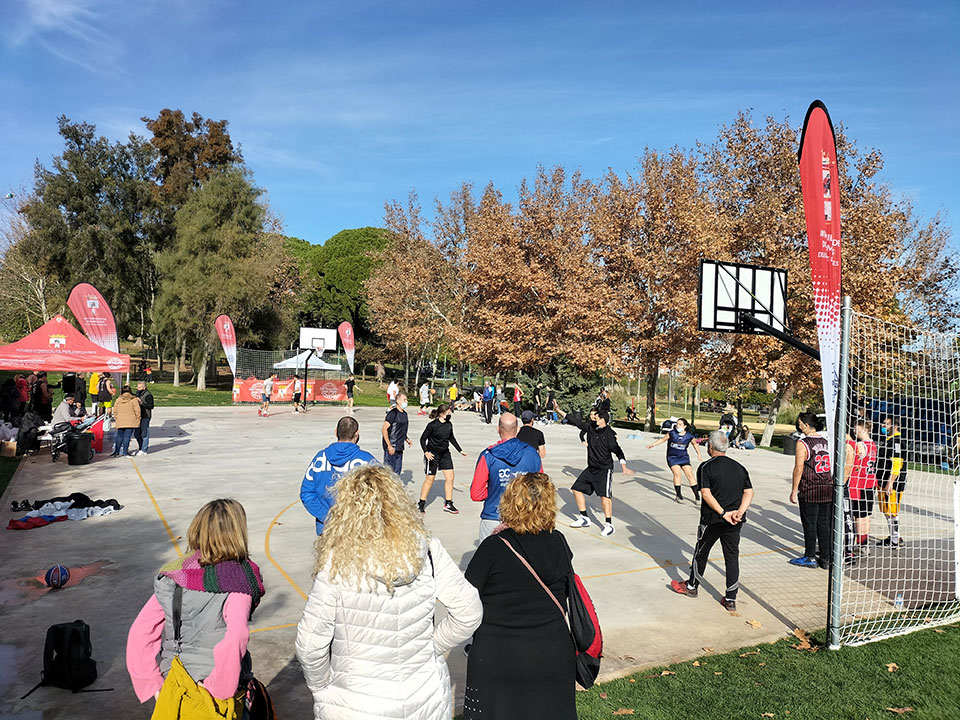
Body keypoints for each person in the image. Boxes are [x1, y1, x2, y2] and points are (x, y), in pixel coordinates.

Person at [296, 465, 481, 720]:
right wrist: (432, 649)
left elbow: (310, 645)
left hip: (357, 705)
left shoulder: (336, 564)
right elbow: (469, 611)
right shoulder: (427, 550)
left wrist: (322, 689)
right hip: (425, 698)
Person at [127, 499, 265, 718]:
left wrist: (152, 684)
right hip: (212, 688)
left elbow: (140, 632)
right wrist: (220, 689)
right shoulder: (239, 580)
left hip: (173, 679)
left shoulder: (175, 574)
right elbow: (236, 636)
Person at [463, 473, 577, 720]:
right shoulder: (559, 542)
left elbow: (466, 597)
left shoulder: (494, 547)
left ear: (509, 502)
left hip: (501, 654)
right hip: (552, 651)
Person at [670, 430, 754, 611]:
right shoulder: (739, 467)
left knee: (701, 552)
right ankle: (731, 598)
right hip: (734, 520)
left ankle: (691, 587)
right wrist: (739, 512)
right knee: (731, 557)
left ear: (710, 446)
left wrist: (723, 513)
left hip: (713, 519)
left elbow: (706, 494)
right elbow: (749, 492)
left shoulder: (706, 467)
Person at [553, 401, 634, 536]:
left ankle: (609, 524)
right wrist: (559, 410)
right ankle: (584, 518)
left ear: (603, 420)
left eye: (597, 417)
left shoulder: (609, 435)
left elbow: (617, 450)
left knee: (604, 497)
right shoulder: (590, 427)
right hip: (591, 468)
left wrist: (624, 466)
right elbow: (574, 420)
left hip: (604, 469)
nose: (594, 419)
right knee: (576, 489)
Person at [470, 413, 543, 540]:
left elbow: (476, 494)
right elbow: (541, 488)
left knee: (489, 558)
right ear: (518, 429)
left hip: (494, 517)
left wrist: (494, 490)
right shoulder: (533, 453)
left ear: (498, 429)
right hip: (525, 518)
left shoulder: (488, 455)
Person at [300, 416, 376, 534]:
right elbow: (384, 493)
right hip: (355, 529)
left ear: (336, 432)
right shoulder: (367, 461)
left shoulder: (320, 458)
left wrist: (328, 517)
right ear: (357, 434)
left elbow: (306, 493)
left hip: (327, 528)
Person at [788, 412, 832, 569]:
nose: (798, 426)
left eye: (800, 423)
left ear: (806, 425)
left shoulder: (803, 443)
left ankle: (810, 556)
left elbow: (799, 468)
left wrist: (794, 489)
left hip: (811, 487)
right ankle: (826, 557)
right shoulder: (826, 441)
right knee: (824, 524)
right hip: (827, 486)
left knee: (810, 523)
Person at [418, 404, 467, 514]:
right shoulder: (432, 425)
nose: (450, 415)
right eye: (448, 413)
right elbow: (422, 439)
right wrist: (426, 452)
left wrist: (460, 450)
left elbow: (451, 438)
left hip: (445, 454)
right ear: (441, 414)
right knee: (430, 479)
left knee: (450, 477)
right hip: (432, 454)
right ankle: (421, 503)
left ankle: (448, 503)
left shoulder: (449, 425)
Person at [647, 417, 704, 503]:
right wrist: (653, 444)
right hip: (672, 457)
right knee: (677, 475)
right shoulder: (672, 433)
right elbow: (662, 439)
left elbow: (695, 444)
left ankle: (697, 496)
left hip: (683, 457)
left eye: (680, 424)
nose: (678, 425)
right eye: (677, 424)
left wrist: (699, 454)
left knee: (690, 475)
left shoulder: (689, 436)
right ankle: (679, 495)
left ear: (685, 426)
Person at [846, 418, 878, 556]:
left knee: (859, 516)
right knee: (866, 515)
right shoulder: (873, 445)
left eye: (856, 429)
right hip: (870, 483)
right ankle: (864, 543)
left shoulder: (862, 445)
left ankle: (860, 543)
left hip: (860, 484)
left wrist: (845, 436)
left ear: (865, 429)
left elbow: (855, 448)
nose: (854, 431)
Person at [876, 415, 906, 548]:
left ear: (894, 426)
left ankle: (895, 540)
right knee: (887, 510)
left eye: (885, 424)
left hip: (893, 484)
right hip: (882, 481)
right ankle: (894, 537)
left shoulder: (896, 442)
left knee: (892, 511)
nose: (883, 426)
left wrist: (890, 482)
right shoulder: (889, 440)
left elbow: (897, 464)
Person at [382, 393, 412, 474]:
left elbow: (401, 429)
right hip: (391, 446)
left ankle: (396, 486)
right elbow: (384, 429)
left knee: (397, 471)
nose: (406, 401)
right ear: (398, 401)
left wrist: (406, 438)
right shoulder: (392, 413)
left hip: (399, 446)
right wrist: (389, 445)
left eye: (406, 400)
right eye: (404, 400)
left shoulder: (405, 414)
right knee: (389, 472)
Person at [111, 385, 142, 457]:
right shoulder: (133, 399)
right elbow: (137, 410)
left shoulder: (119, 399)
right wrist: (138, 418)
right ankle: (125, 452)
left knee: (119, 436)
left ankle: (116, 451)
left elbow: (115, 410)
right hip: (131, 420)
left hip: (120, 420)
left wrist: (116, 418)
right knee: (127, 437)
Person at [133, 380, 154, 456]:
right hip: (138, 416)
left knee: (144, 433)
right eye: (137, 387)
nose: (138, 388)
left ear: (144, 387)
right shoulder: (138, 393)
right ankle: (141, 447)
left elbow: (151, 406)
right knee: (136, 433)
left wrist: (142, 403)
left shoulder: (148, 395)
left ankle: (144, 449)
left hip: (145, 416)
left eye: (139, 387)